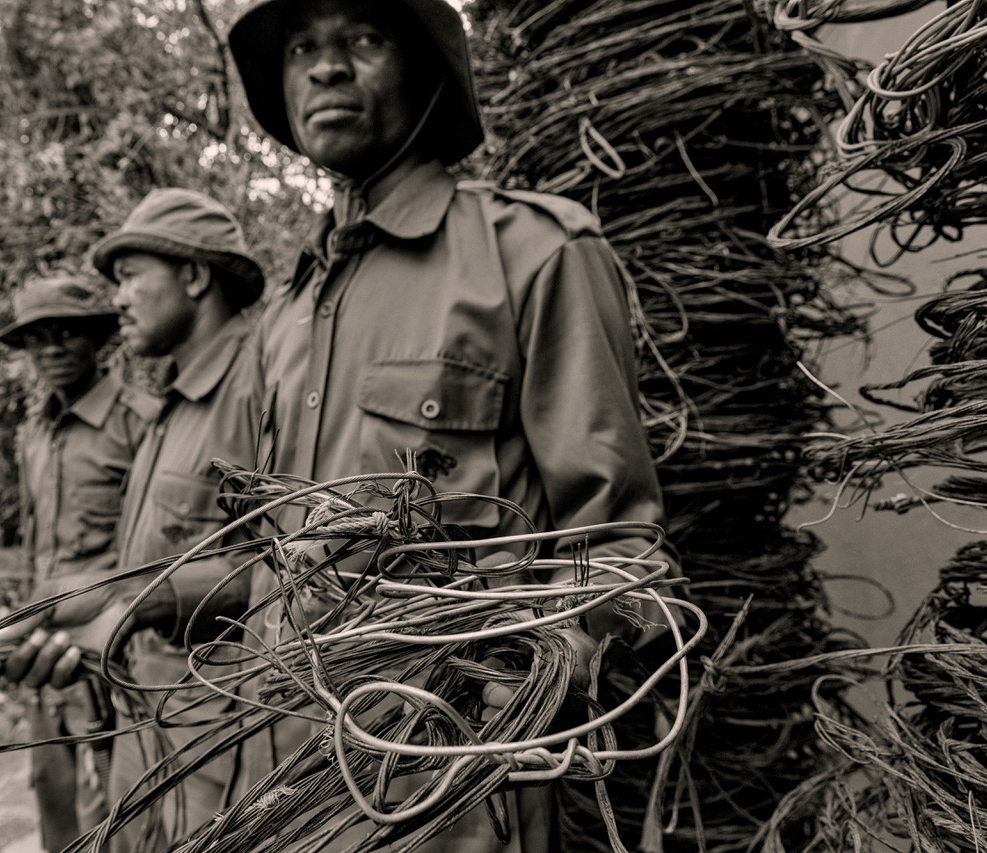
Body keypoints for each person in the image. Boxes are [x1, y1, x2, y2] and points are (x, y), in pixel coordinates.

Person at [224, 0, 678, 850]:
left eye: (362, 38)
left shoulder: (531, 253)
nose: (324, 68)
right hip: (285, 785)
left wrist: (536, 677)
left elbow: (621, 549)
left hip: (457, 789)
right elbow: (268, 558)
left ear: (427, 72)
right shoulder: (286, 314)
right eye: (300, 48)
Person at [0, 189, 268, 851]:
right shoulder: (169, 407)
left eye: (130, 276)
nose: (117, 297)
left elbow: (296, 563)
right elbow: (150, 554)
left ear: (194, 276)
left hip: (209, 717)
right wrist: (67, 601)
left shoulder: (261, 382)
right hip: (130, 678)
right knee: (70, 802)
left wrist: (132, 606)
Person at [0, 274, 162, 853]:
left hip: (108, 652)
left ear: (96, 340)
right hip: (42, 651)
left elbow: (160, 553)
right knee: (50, 789)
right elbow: (36, 540)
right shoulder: (35, 432)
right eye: (37, 338)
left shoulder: (141, 421)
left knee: (109, 805)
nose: (52, 349)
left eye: (67, 334)